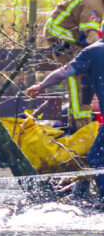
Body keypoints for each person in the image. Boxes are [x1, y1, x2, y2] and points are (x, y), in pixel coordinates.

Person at [26, 36, 104, 194]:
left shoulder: (93, 51)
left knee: (96, 157)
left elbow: (64, 72)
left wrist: (41, 85)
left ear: (100, 31)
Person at [43, 0, 104, 130]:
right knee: (77, 77)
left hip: (70, 33)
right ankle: (80, 127)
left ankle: (76, 119)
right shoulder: (92, 3)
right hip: (63, 38)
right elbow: (92, 41)